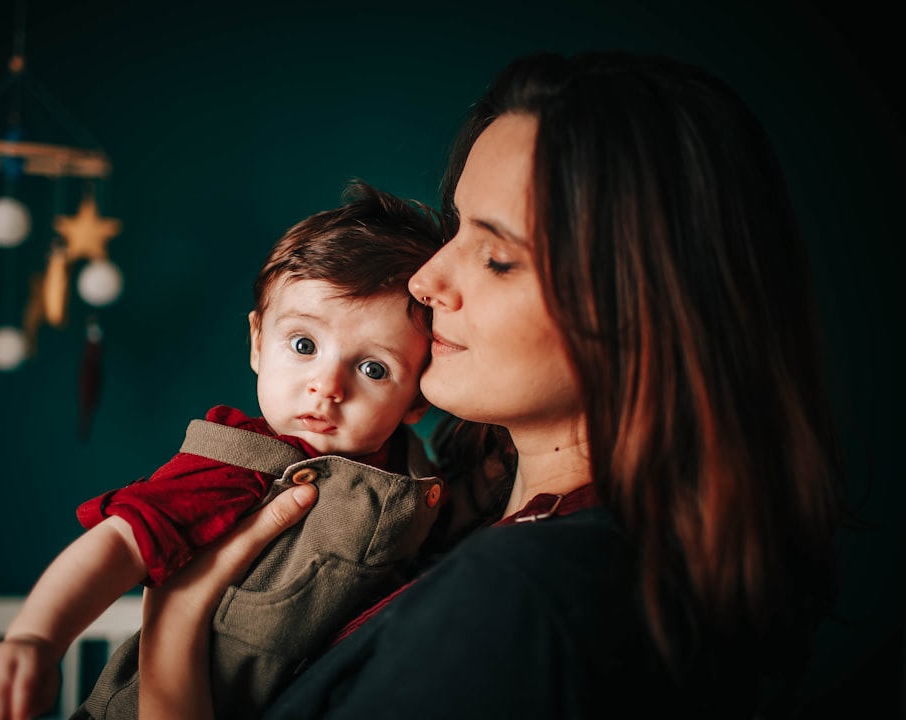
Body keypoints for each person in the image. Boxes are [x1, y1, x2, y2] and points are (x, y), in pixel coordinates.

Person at [138, 50, 847, 719]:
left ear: (646, 308)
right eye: (453, 232)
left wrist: (175, 618)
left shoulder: (525, 593)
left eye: (497, 258)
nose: (427, 280)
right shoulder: (497, 533)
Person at [0, 180, 447, 720]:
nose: (326, 386)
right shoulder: (243, 463)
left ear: (419, 396)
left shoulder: (417, 475)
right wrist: (36, 641)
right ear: (258, 343)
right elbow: (121, 541)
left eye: (373, 368)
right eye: (303, 345)